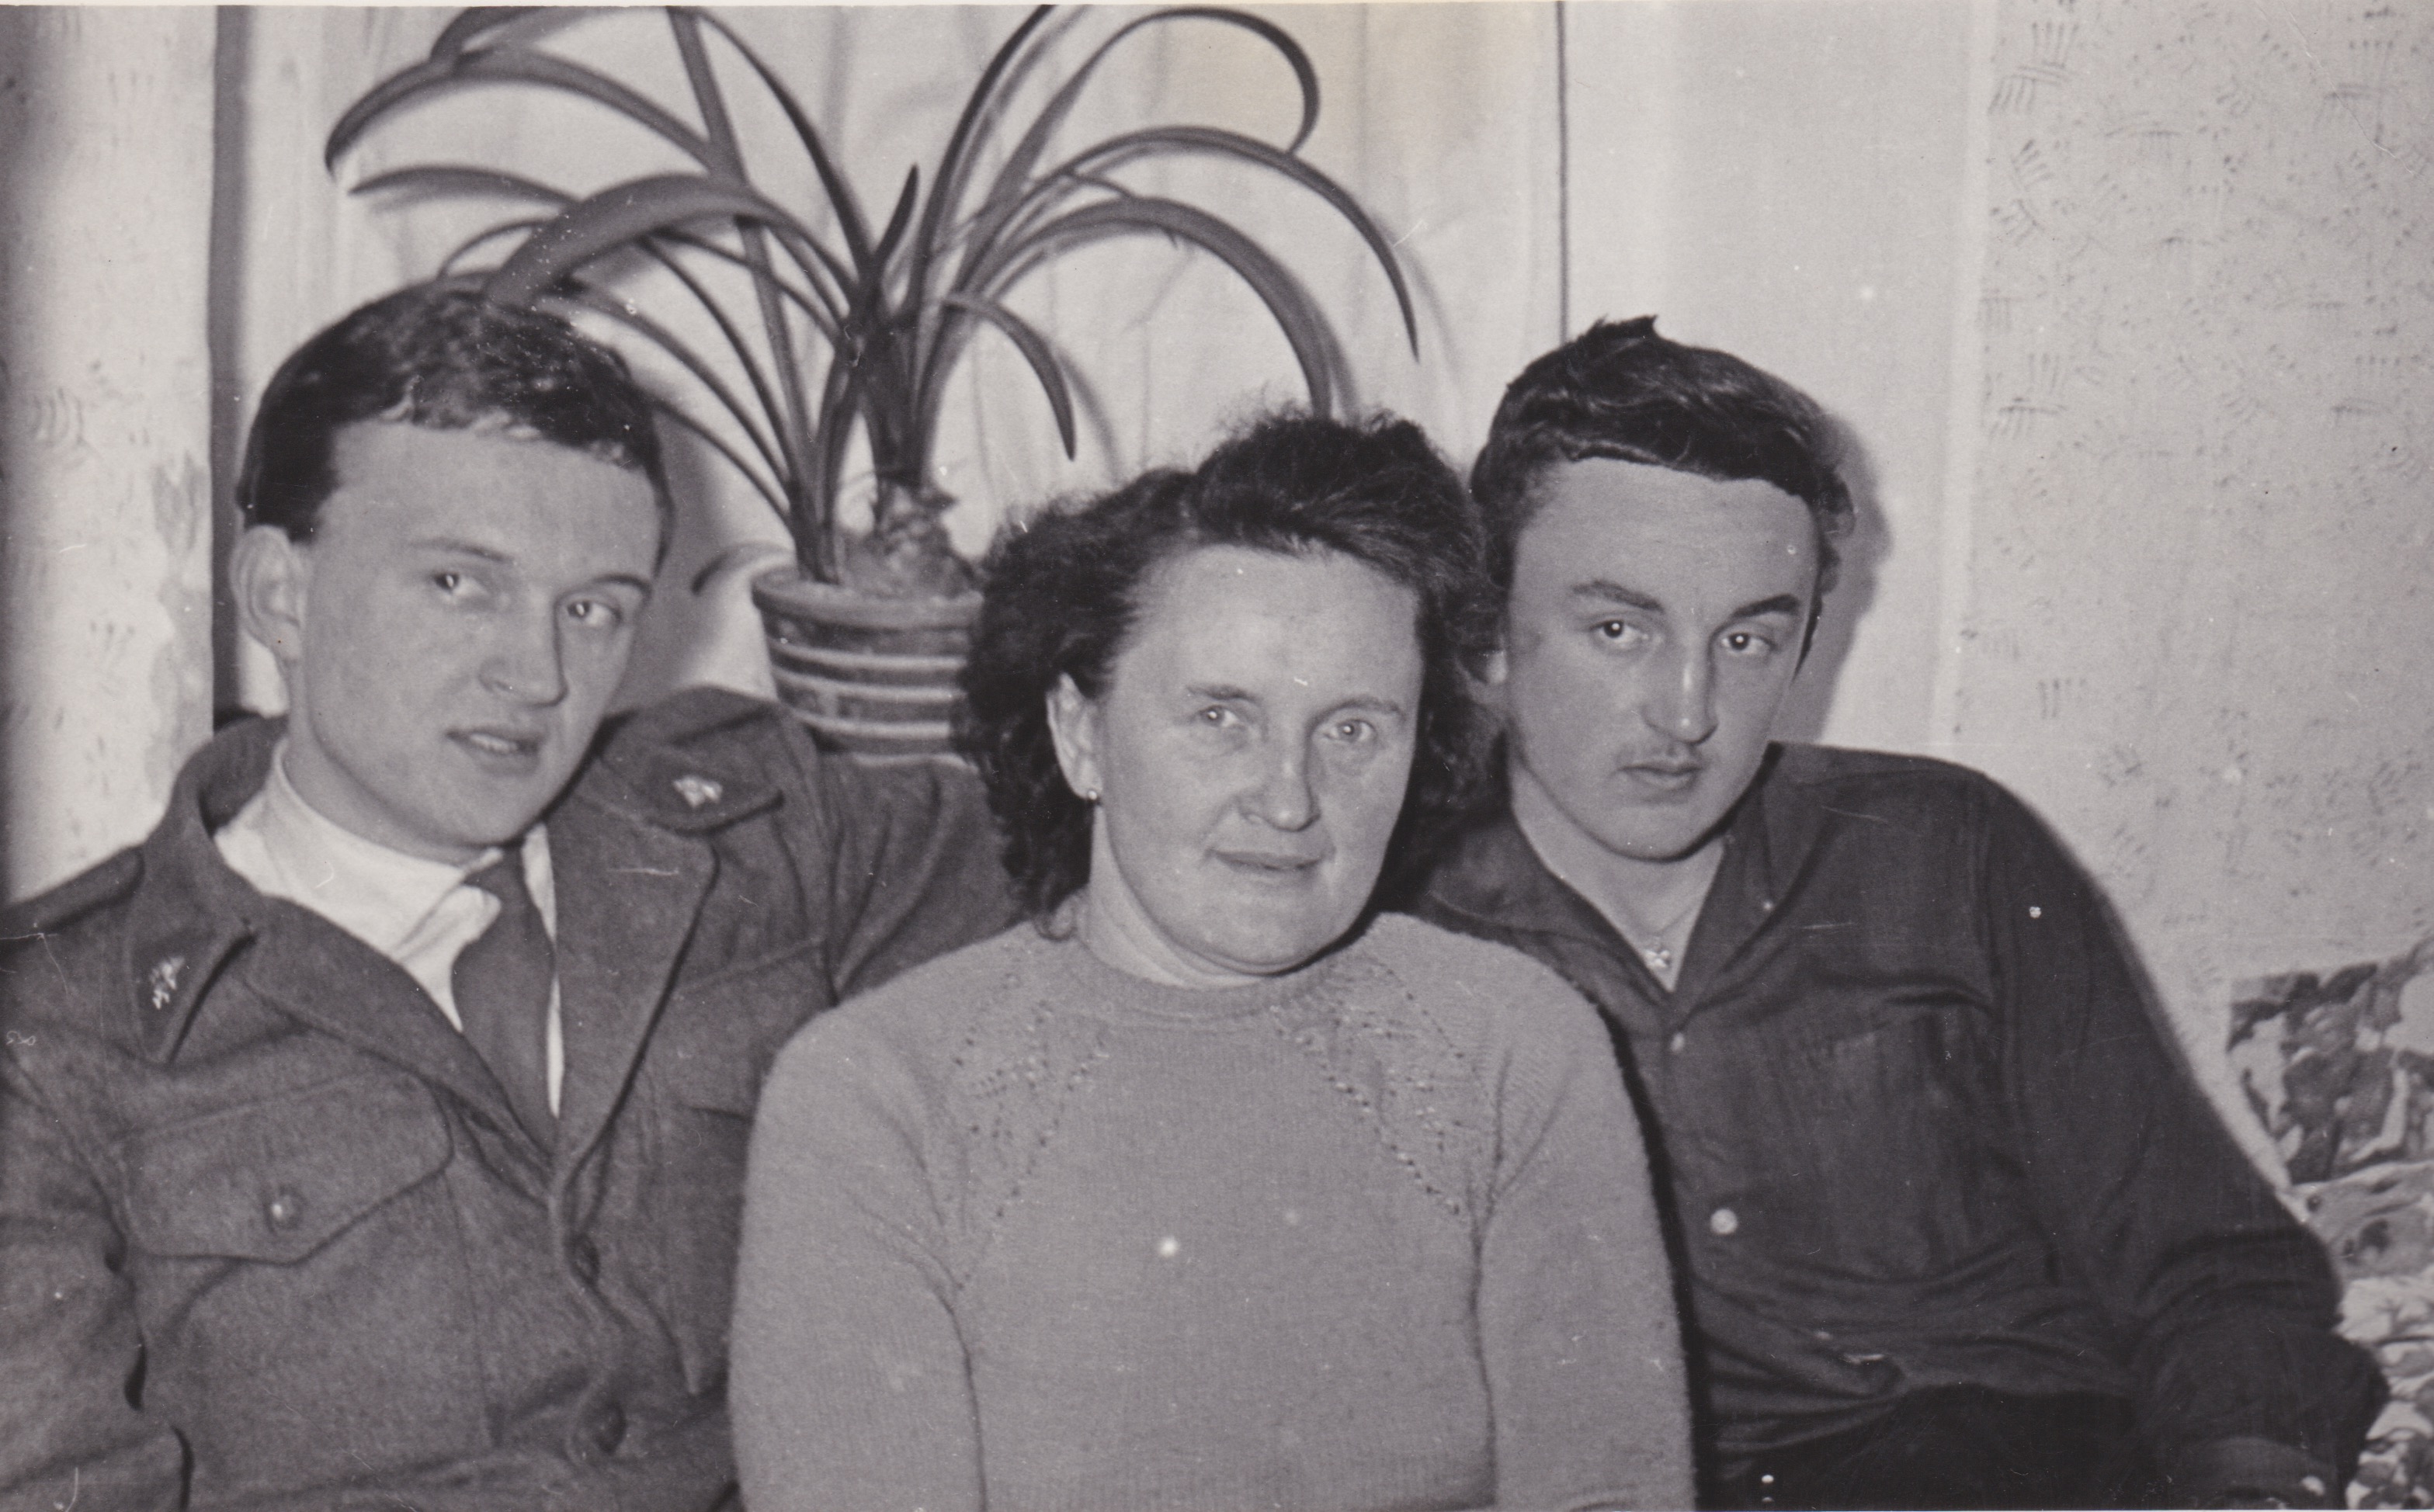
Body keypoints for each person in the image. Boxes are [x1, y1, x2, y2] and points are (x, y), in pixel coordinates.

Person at [0, 283, 1017, 1510]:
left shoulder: (756, 832)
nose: (537, 674)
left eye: (591, 609)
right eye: (458, 584)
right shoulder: (55, 1032)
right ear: (278, 593)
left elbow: (1104, 851)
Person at [1399, 317, 2387, 1510]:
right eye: (1620, 629)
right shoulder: (1402, 935)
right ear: (1490, 639)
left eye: (1748, 638)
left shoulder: (1947, 850)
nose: (1689, 710)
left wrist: (2254, 1485)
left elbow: (2207, 1268)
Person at [730, 413, 1694, 1512]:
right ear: (1081, 733)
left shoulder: (1517, 1046)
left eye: (1353, 731)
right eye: (1222, 718)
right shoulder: (875, 1096)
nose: (1289, 798)